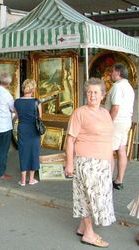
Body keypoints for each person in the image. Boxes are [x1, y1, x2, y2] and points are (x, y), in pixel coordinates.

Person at [65, 78, 115, 248]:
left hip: (103, 163)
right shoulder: (80, 112)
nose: (92, 95)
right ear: (85, 94)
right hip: (86, 162)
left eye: (96, 92)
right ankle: (88, 233)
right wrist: (69, 164)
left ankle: (82, 227)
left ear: (103, 95)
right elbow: (70, 140)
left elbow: (108, 139)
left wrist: (110, 162)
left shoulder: (105, 113)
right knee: (88, 198)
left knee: (93, 197)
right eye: (89, 92)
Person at [105, 64, 135, 190]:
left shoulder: (117, 87)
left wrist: (108, 122)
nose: (111, 74)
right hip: (126, 121)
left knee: (109, 151)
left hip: (116, 122)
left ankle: (107, 180)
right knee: (121, 150)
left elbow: (115, 107)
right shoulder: (129, 87)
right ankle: (119, 181)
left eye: (112, 71)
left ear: (118, 73)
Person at [14, 79, 41, 186]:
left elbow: (17, 116)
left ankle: (23, 180)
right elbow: (40, 118)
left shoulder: (16, 102)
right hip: (34, 129)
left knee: (23, 152)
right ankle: (31, 180)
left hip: (22, 128)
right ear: (33, 89)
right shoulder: (36, 102)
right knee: (34, 153)